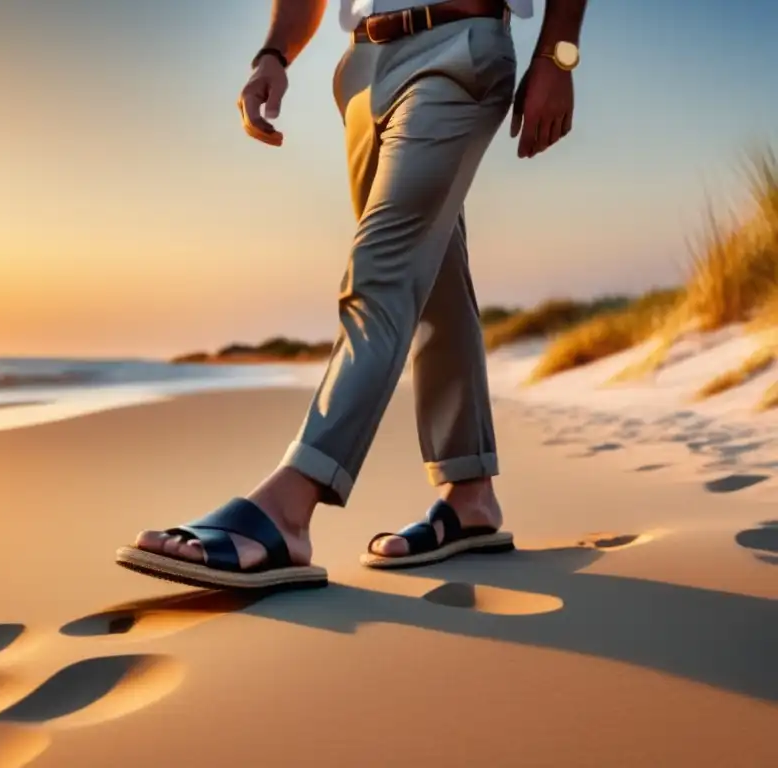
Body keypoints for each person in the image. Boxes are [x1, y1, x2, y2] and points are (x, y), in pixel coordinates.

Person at [116, 0, 587, 590]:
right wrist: (274, 54)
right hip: (363, 69)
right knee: (433, 275)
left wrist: (557, 55)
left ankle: (289, 508)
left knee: (379, 273)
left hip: (459, 47)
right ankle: (470, 496)